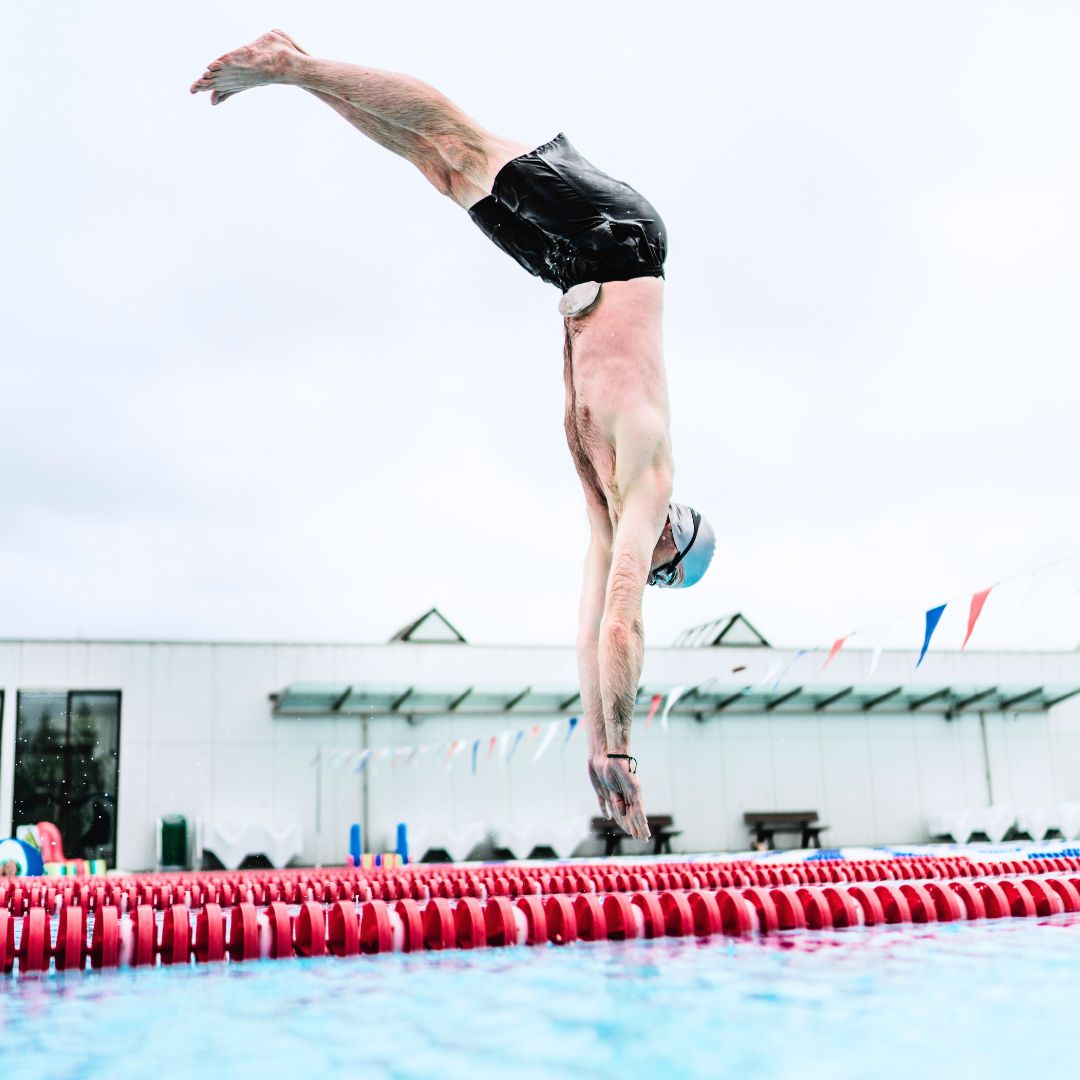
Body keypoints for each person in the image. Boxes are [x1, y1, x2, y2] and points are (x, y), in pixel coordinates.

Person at [190, 31, 716, 841]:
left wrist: (600, 745)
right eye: (663, 573)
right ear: (672, 545)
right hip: (622, 241)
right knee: (459, 138)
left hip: (569, 270)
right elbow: (620, 621)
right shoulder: (647, 480)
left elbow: (591, 630)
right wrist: (628, 751)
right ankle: (290, 66)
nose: (647, 576)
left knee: (441, 169)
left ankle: (292, 73)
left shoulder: (606, 514)